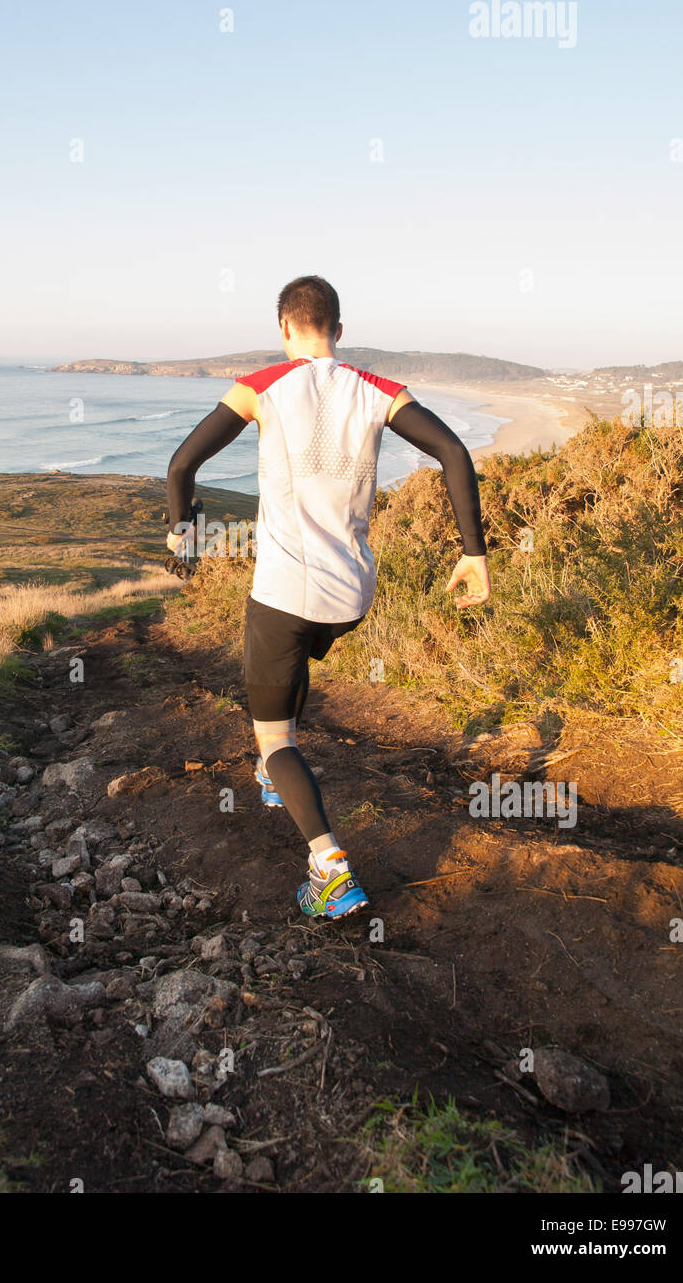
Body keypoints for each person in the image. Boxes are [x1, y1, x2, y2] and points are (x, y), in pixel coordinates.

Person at [166, 275, 490, 920]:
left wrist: (183, 530)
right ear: (338, 331)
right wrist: (474, 553)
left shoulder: (261, 386)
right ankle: (273, 775)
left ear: (283, 328)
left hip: (285, 592)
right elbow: (454, 452)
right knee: (291, 668)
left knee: (274, 737)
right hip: (351, 595)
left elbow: (181, 466)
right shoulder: (378, 391)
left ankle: (329, 866)